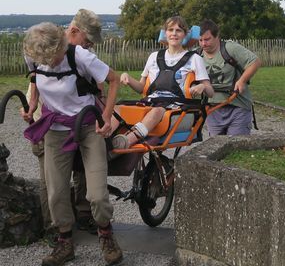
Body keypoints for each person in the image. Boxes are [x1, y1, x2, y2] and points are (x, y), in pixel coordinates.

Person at [21, 22, 122, 266]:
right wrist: (33, 104)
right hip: (55, 128)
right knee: (56, 192)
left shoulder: (80, 56)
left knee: (97, 194)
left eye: (51, 58)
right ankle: (65, 242)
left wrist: (106, 117)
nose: (46, 62)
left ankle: (106, 235)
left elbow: (114, 80)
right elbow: (35, 78)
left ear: (62, 46)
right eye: (41, 58)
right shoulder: (35, 54)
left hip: (88, 126)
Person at [117, 16, 213, 147]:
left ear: (185, 34)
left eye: (178, 30)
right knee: (117, 108)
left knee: (157, 111)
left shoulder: (194, 59)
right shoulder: (154, 57)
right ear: (165, 33)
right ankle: (104, 142)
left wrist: (202, 86)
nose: (174, 33)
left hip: (177, 108)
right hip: (150, 102)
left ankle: (126, 142)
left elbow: (210, 92)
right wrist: (128, 78)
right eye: (170, 29)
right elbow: (141, 88)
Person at [196, 19, 261, 136]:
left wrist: (242, 81)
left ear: (217, 37)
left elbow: (255, 61)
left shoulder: (230, 49)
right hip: (212, 109)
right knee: (216, 147)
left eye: (207, 39)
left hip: (237, 105)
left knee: (236, 147)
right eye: (200, 40)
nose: (203, 44)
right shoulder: (197, 55)